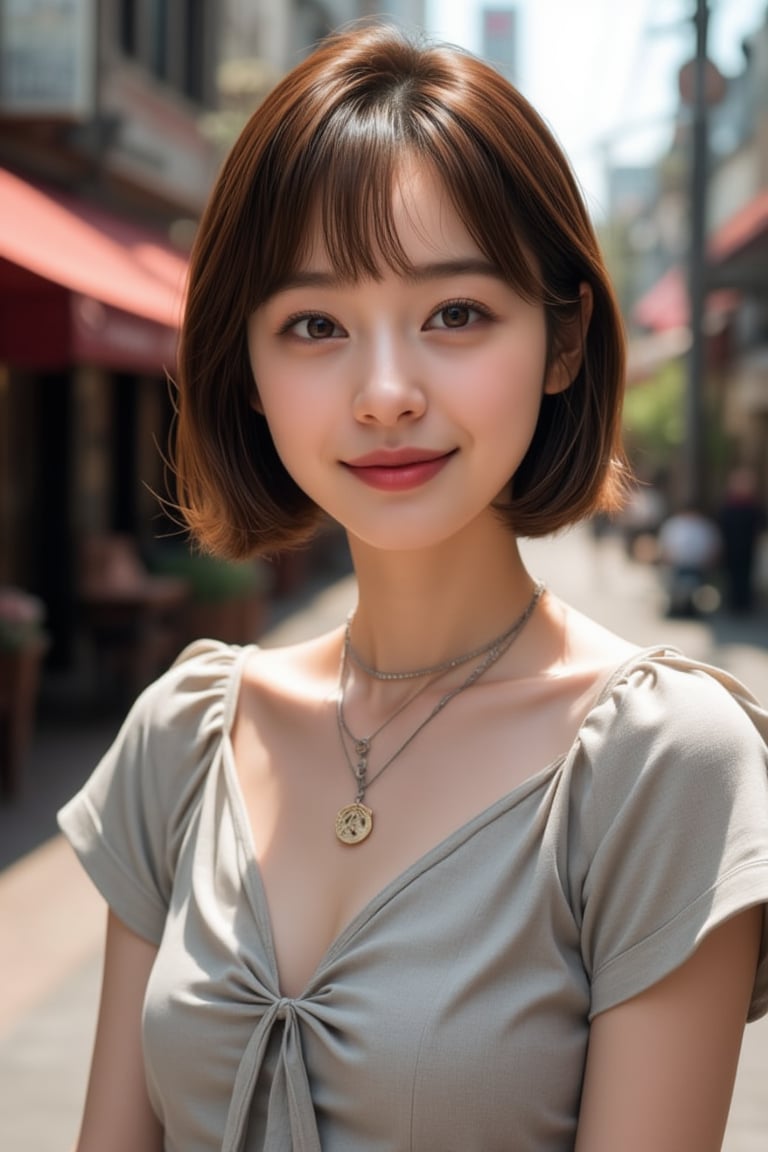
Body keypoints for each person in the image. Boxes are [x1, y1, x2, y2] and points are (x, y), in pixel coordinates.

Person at [58, 23, 768, 1152]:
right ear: (245, 368)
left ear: (565, 341)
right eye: (315, 325)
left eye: (455, 314)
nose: (385, 393)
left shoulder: (657, 763)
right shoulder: (184, 738)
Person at [719, 465, 766, 613]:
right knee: (732, 575)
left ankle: (744, 603)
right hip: (731, 546)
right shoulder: (729, 504)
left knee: (746, 576)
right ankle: (733, 603)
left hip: (748, 546)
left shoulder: (754, 505)